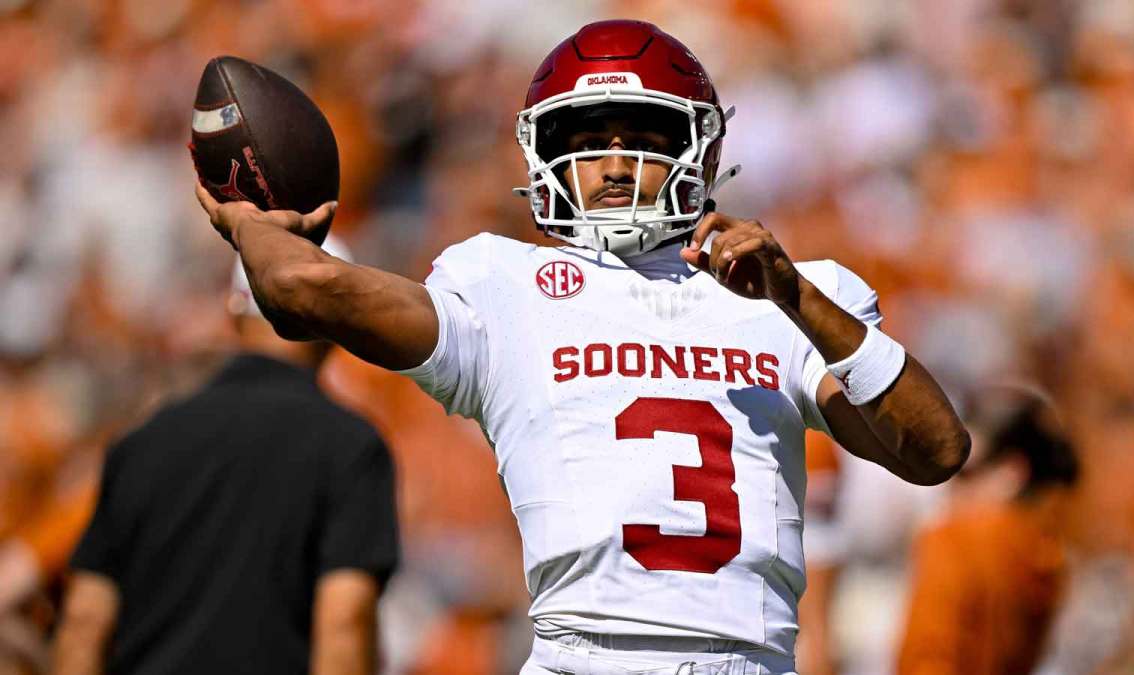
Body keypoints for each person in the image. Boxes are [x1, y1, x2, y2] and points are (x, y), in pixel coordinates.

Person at [197, 19, 969, 675]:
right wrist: (250, 217)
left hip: (751, 657)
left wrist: (797, 298)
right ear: (542, 155)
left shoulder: (786, 295)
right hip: (582, 654)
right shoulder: (505, 285)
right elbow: (301, 288)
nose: (614, 160)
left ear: (699, 153)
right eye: (588, 137)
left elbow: (934, 449)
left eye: (645, 135)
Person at [51, 239, 399, 675]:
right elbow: (344, 621)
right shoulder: (351, 448)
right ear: (342, 326)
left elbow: (84, 620)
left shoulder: (142, 442)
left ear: (235, 309)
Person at [897, 385, 1079, 675]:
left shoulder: (954, 541)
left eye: (963, 471)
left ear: (1011, 473)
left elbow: (927, 659)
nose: (948, 485)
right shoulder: (1049, 558)